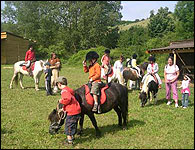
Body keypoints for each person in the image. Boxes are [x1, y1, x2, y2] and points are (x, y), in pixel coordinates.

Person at [56, 76, 81, 144]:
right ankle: (72, 137)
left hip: (72, 111)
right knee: (73, 124)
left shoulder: (64, 91)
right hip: (77, 110)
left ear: (59, 84)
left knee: (68, 126)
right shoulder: (69, 89)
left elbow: (67, 99)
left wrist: (61, 101)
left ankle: (69, 141)